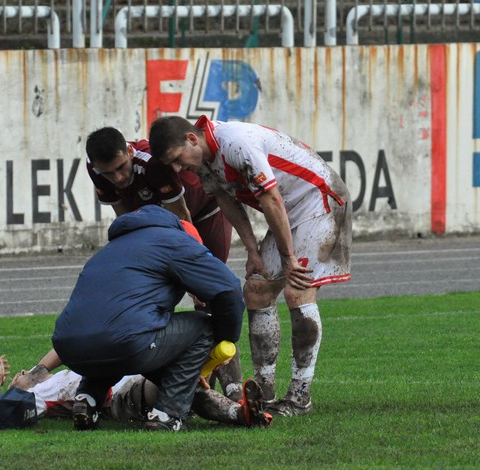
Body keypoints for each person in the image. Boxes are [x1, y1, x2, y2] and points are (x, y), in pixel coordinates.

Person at [149, 116, 352, 417]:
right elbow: (226, 201)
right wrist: (253, 251)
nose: (179, 170)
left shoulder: (235, 142)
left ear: (192, 139)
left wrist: (288, 258)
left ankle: (299, 397)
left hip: (319, 200)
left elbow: (270, 199)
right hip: (290, 211)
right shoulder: (203, 159)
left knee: (297, 292)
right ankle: (264, 391)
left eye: (178, 160)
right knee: (256, 290)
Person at [50, 205, 246, 431]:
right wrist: (228, 337)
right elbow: (229, 289)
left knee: (114, 334)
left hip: (69, 348)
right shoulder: (176, 242)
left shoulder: (110, 249)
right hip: (124, 341)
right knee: (204, 327)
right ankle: (167, 413)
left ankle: (88, 399)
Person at [85, 126, 243, 400]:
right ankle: (193, 381)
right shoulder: (96, 169)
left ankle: (233, 387)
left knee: (210, 297)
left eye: (122, 167)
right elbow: (126, 220)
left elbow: (184, 222)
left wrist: (196, 278)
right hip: (161, 224)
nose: (118, 178)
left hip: (201, 215)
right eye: (109, 173)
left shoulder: (153, 166)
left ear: (130, 152)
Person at [0, 355, 271, 429]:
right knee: (180, 383)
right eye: (21, 375)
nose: (22, 372)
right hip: (120, 398)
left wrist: (35, 372)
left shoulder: (57, 375)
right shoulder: (38, 397)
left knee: (195, 361)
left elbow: (62, 348)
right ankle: (239, 411)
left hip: (134, 377)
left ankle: (241, 408)